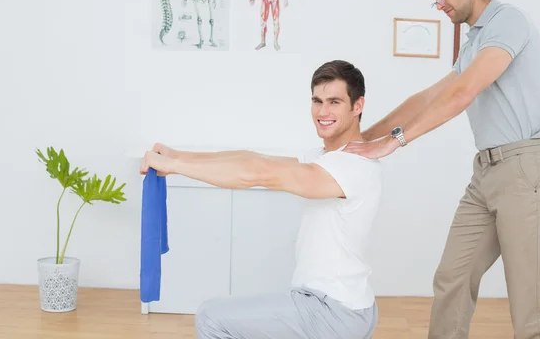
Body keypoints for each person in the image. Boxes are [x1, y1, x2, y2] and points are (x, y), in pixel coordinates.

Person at [343, 0, 540, 339]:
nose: (439, 5)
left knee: (528, 303)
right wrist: (362, 136)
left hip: (526, 169)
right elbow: (429, 97)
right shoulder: (474, 40)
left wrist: (394, 142)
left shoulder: (507, 22)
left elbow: (462, 93)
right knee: (452, 278)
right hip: (488, 173)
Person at [140, 60, 381, 339]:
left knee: (211, 317)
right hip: (344, 305)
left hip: (333, 311)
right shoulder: (327, 158)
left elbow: (257, 173)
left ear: (357, 105)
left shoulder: (351, 166)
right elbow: (254, 159)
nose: (322, 112)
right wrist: (178, 156)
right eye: (317, 101)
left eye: (334, 102)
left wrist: (177, 168)